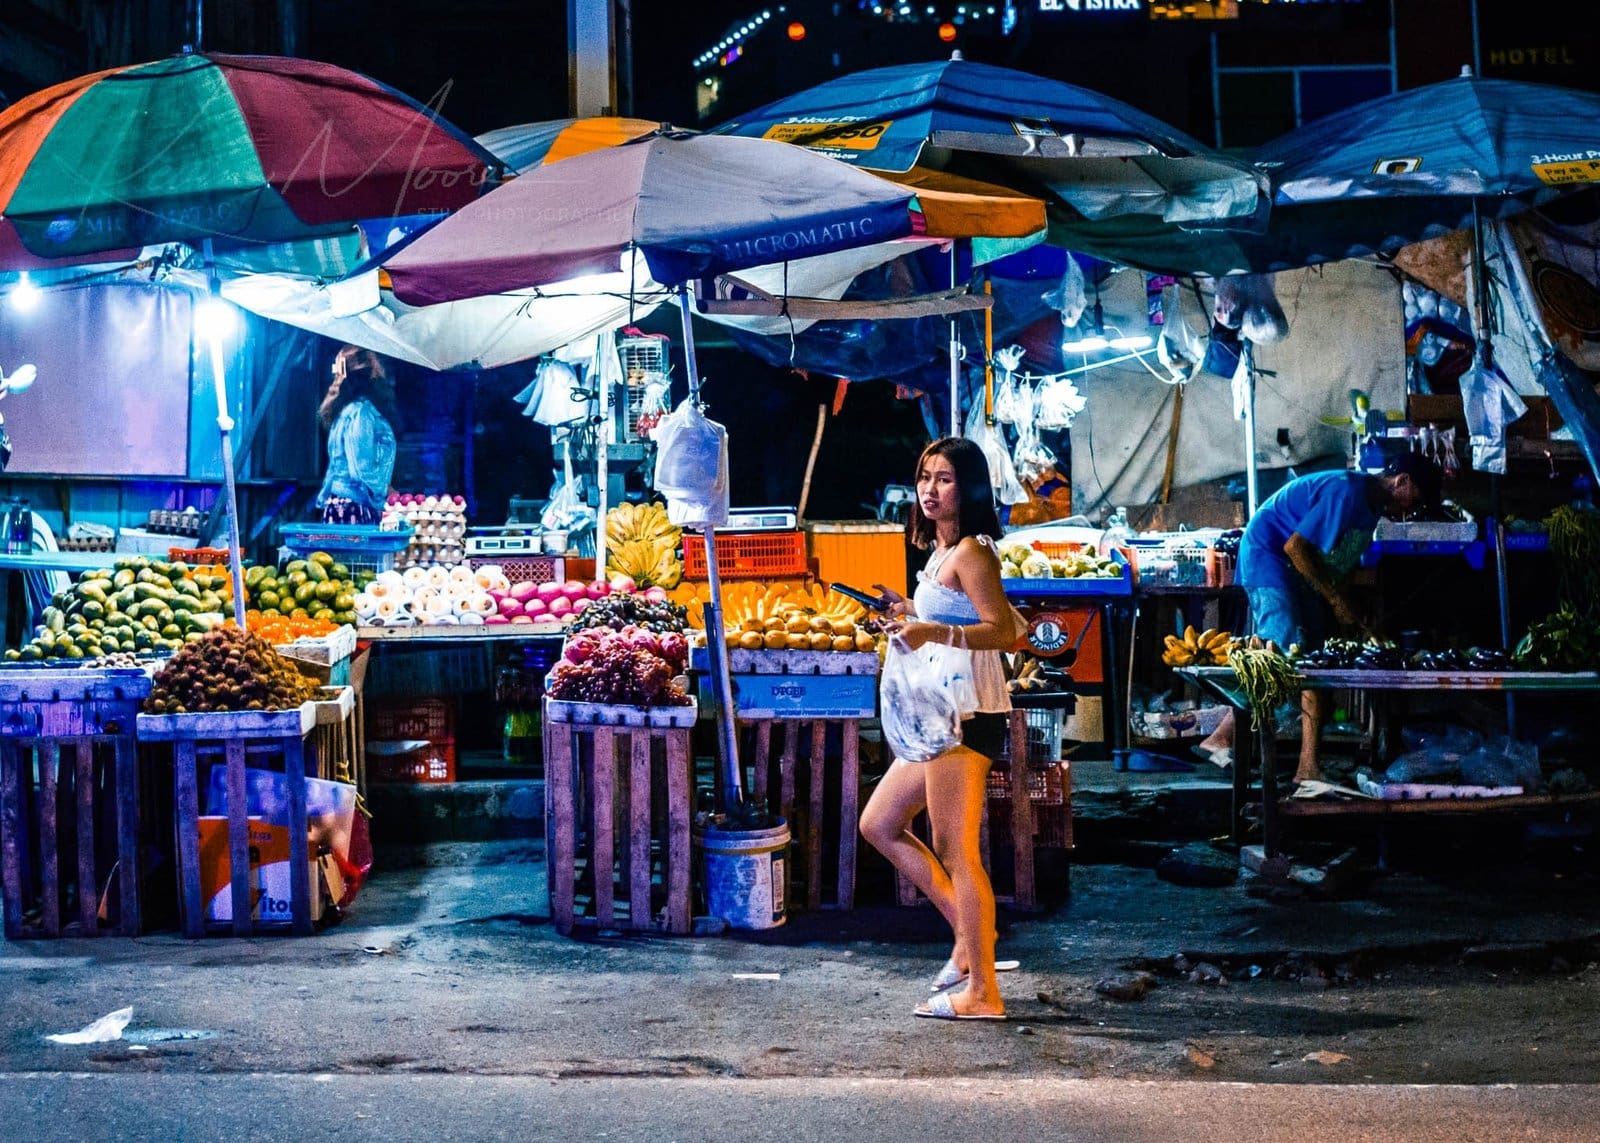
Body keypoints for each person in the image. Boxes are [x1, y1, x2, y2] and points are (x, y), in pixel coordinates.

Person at [859, 436, 1021, 1022]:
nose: (930, 489)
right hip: (940, 712)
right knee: (879, 823)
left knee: (958, 850)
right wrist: (907, 611)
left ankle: (983, 993)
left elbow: (1005, 631)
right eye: (925, 476)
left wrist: (932, 633)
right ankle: (969, 937)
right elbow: (949, 616)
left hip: (967, 714)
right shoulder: (942, 551)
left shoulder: (975, 551)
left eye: (945, 478)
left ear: (968, 487)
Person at [1196, 453, 1444, 784]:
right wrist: (1334, 600)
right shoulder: (1346, 491)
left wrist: (1351, 612)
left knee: (1315, 660)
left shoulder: (1370, 511)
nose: (1411, 511)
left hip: (1300, 573)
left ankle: (1302, 767)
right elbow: (1295, 548)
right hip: (1269, 560)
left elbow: (1332, 565)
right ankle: (1234, 742)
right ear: (1403, 482)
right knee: (1282, 658)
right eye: (1416, 500)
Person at [316, 345, 399, 525]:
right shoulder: (361, 414)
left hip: (341, 506)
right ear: (372, 377)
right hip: (354, 507)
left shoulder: (346, 413)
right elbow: (360, 469)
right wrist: (385, 490)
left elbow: (335, 470)